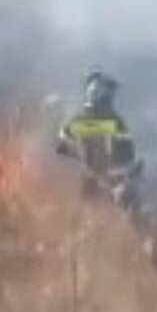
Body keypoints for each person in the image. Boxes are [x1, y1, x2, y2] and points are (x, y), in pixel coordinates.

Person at [56, 70, 142, 209]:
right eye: (109, 95)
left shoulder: (77, 121)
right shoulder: (114, 122)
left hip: (93, 181)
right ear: (103, 97)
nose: (111, 99)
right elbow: (126, 153)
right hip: (106, 182)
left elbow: (62, 148)